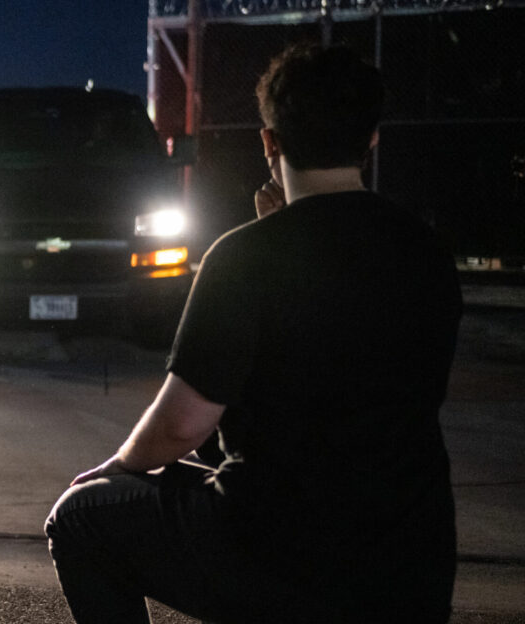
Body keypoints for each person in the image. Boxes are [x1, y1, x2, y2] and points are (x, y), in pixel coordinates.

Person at [45, 44, 462, 623]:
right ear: (371, 140)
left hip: (283, 553)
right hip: (413, 560)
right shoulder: (428, 254)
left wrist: (117, 468)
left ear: (270, 142)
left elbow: (179, 427)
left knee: (81, 519)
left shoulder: (246, 258)